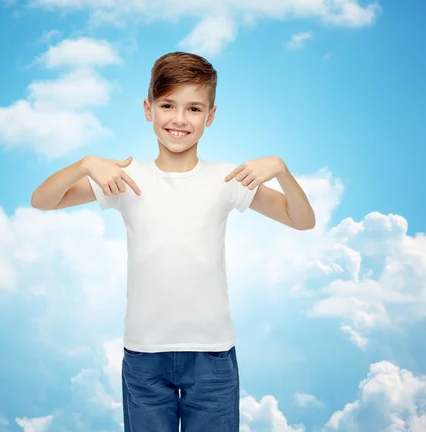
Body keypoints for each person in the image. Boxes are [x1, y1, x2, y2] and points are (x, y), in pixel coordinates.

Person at [31, 51, 315, 432]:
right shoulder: (125, 178)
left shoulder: (227, 179)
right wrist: (85, 164)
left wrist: (280, 168)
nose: (180, 119)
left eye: (194, 108)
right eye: (168, 105)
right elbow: (42, 200)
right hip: (145, 352)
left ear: (210, 117)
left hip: (212, 352)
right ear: (149, 109)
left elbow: (302, 220)